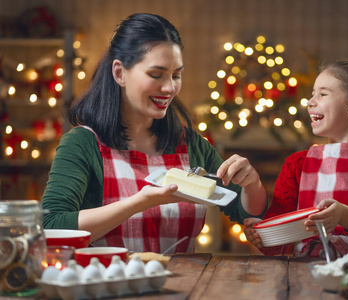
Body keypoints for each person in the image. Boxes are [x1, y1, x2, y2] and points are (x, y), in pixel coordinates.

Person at [41, 13, 267, 254]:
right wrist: (141, 202)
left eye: (176, 75)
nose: (170, 87)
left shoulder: (191, 145)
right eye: (156, 75)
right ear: (119, 73)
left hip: (183, 287)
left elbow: (247, 214)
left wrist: (252, 183)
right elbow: (51, 227)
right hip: (108, 286)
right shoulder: (83, 144)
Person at [244, 60, 348, 259]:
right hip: (307, 276)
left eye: (323, 94)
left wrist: (346, 216)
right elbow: (278, 244)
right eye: (312, 94)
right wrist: (261, 237)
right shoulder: (297, 165)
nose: (310, 102)